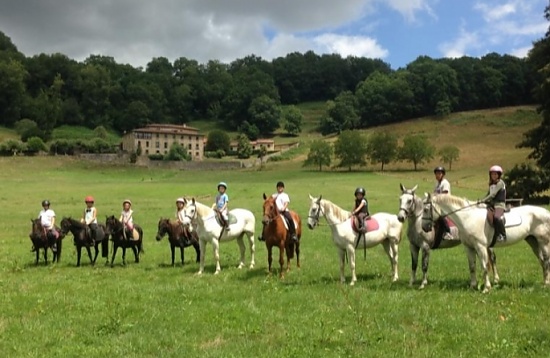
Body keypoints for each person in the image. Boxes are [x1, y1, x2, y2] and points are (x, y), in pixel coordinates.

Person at [480, 165, 507, 242]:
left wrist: (483, 200)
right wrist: (481, 200)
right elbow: (488, 194)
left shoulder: (500, 183)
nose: (494, 176)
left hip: (499, 205)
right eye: (492, 174)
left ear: (499, 175)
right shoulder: (491, 184)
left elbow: (493, 195)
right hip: (492, 204)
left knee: (497, 217)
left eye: (495, 174)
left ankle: (502, 235)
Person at [433, 166, 454, 241]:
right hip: (438, 204)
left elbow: (445, 193)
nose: (437, 175)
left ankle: (448, 232)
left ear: (443, 174)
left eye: (439, 173)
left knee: (441, 215)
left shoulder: (445, 183)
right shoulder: (437, 184)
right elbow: (434, 193)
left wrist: (435, 195)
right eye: (436, 173)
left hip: (446, 204)